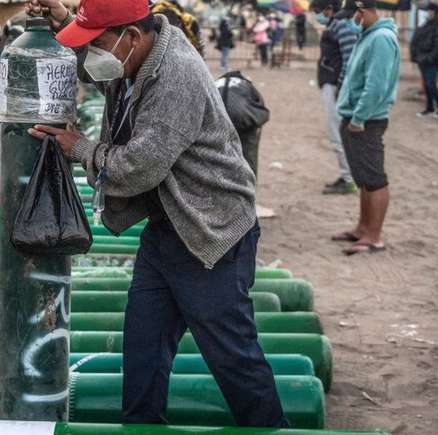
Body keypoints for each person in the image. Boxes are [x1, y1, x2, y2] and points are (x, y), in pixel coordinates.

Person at [27, 0, 288, 427]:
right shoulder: (135, 55)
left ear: (131, 36)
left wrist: (79, 148)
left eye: (97, 43)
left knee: (233, 361)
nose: (91, 54)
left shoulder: (175, 75)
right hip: (168, 228)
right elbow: (92, 68)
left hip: (211, 233)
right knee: (144, 352)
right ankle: (141, 425)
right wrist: (63, 19)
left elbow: (137, 168)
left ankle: (272, 428)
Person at [333, 0, 400, 255]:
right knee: (363, 179)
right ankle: (362, 229)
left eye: (355, 16)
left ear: (363, 12)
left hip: (367, 121)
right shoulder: (368, 35)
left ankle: (374, 237)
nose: (352, 21)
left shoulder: (381, 39)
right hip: (355, 117)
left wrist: (359, 118)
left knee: (374, 178)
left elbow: (376, 85)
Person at [311, 0, 359, 195]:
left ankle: (349, 179)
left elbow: (349, 59)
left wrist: (341, 85)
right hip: (331, 84)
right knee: (338, 131)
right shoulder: (335, 25)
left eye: (318, 10)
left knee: (337, 132)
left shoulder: (341, 26)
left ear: (329, 9)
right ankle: (348, 175)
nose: (317, 15)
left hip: (335, 85)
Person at [410, 3, 438, 118]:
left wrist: (429, 58)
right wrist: (416, 56)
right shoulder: (425, 25)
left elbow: (436, 47)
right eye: (427, 11)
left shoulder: (436, 26)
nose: (428, 13)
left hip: (431, 62)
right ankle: (429, 108)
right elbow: (416, 40)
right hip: (422, 60)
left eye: (430, 11)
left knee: (431, 84)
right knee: (427, 85)